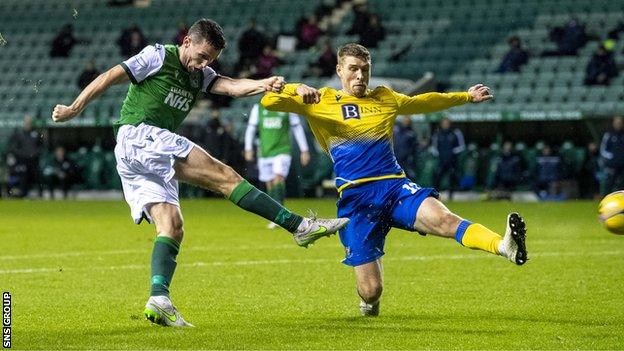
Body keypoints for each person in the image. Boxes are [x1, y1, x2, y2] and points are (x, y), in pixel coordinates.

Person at [51, 18, 348, 328]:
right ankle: (298, 226)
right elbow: (111, 75)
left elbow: (231, 86)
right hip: (141, 136)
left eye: (211, 60)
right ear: (187, 42)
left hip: (139, 155)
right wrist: (75, 108)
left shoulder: (201, 74)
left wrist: (267, 83)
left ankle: (159, 299)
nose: (203, 64)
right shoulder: (158, 56)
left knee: (172, 226)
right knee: (225, 176)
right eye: (202, 56)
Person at [261, 43, 528, 317]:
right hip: (356, 199)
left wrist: (465, 97)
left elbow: (422, 102)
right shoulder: (321, 100)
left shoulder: (384, 97)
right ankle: (369, 303)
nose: (360, 76)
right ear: (339, 70)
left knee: (445, 220)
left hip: (395, 186)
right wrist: (297, 88)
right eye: (353, 69)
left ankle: (503, 246)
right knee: (371, 290)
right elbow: (268, 101)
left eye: (365, 70)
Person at [244, 103, 311, 228]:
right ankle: (276, 214)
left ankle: (280, 217)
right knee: (269, 183)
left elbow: (297, 128)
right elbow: (251, 128)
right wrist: (248, 148)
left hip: (282, 151)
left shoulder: (287, 107)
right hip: (264, 152)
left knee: (278, 178)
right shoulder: (258, 108)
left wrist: (304, 149)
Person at [6, 115, 43, 198]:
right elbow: (13, 147)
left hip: (34, 160)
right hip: (22, 160)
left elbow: (41, 146)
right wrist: (22, 154)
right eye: (26, 122)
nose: (27, 124)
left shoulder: (36, 134)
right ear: (23, 123)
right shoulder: (19, 135)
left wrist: (35, 153)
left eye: (29, 122)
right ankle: (23, 194)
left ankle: (40, 194)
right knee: (23, 176)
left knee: (38, 176)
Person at [431, 117, 465, 200]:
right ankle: (436, 196)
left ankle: (451, 196)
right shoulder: (438, 133)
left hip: (452, 160)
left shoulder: (456, 132)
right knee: (437, 178)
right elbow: (433, 147)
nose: (445, 125)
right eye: (444, 123)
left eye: (447, 123)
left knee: (452, 178)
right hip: (441, 160)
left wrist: (452, 153)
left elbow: (461, 146)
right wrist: (440, 154)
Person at [600, 116, 624, 195]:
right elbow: (603, 150)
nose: (618, 124)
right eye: (617, 122)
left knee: (621, 186)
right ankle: (605, 201)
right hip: (612, 165)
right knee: (609, 184)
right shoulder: (609, 134)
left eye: (620, 122)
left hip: (622, 165)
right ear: (613, 123)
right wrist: (612, 157)